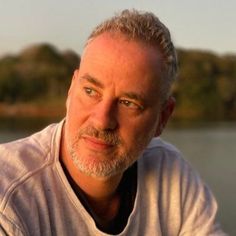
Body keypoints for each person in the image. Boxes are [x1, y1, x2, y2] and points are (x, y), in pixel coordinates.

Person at [0, 9, 226, 236]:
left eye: (128, 103)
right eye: (90, 91)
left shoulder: (173, 177)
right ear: (71, 90)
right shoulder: (8, 198)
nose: (101, 121)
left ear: (163, 118)